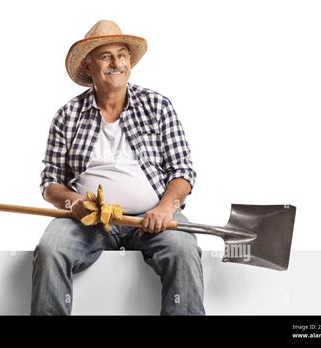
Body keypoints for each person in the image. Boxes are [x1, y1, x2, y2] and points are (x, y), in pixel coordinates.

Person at [32, 20, 205, 315]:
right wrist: (74, 202)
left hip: (153, 217)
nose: (116, 63)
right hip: (86, 221)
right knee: (50, 250)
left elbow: (183, 172)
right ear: (88, 66)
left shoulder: (158, 106)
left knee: (183, 249)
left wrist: (165, 208)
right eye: (106, 56)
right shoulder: (67, 115)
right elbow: (50, 183)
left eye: (122, 55)